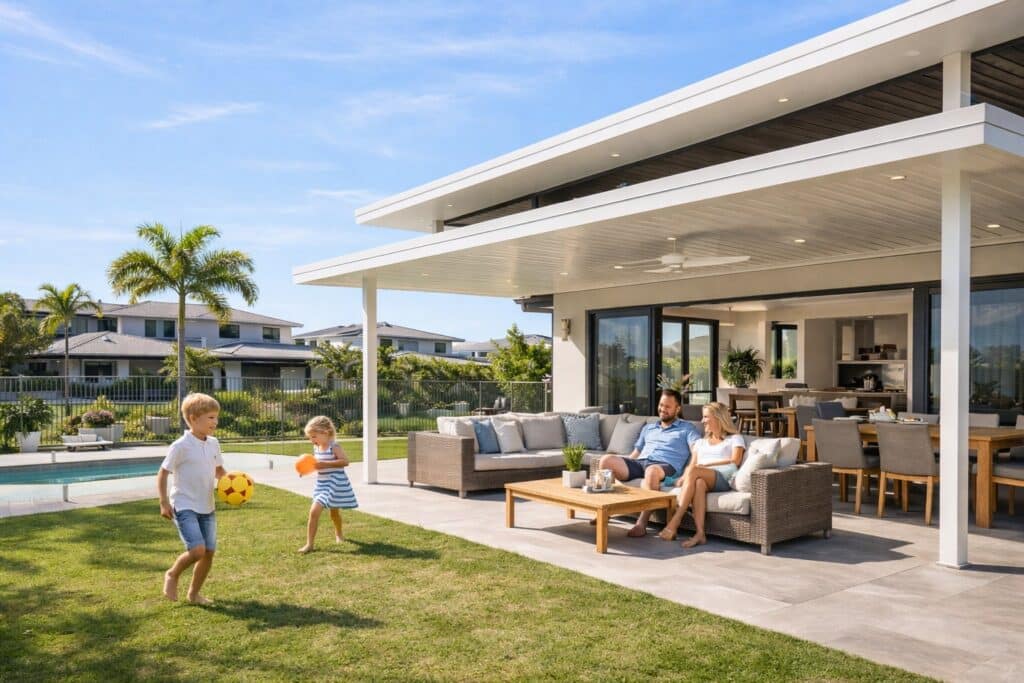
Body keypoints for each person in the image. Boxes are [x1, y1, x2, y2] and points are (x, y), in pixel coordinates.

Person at [595, 389, 700, 538]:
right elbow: (636, 453)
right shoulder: (649, 428)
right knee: (606, 460)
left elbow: (697, 450)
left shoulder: (687, 428)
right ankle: (604, 511)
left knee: (652, 471)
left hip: (666, 466)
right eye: (661, 405)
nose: (662, 409)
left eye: (667, 406)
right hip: (641, 463)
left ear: (677, 409)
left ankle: (641, 523)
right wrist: (623, 463)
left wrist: (687, 472)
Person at [158, 392, 225, 605]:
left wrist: (234, 483)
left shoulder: (213, 443)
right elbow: (163, 473)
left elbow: (219, 471)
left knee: (209, 552)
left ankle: (194, 594)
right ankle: (173, 574)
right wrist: (163, 502)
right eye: (211, 417)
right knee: (197, 550)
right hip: (184, 504)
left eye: (216, 417)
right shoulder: (180, 446)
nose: (215, 421)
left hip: (207, 505)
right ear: (194, 419)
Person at [659, 401, 745, 548]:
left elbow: (735, 461)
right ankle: (700, 533)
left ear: (718, 418)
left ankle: (675, 521)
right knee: (699, 483)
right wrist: (683, 478)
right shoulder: (700, 442)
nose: (702, 421)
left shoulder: (734, 438)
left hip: (722, 478)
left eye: (706, 417)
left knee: (695, 472)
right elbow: (692, 465)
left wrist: (706, 466)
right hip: (700, 476)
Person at [297, 415, 358, 554]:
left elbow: (345, 461)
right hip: (322, 484)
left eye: (314, 436)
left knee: (334, 513)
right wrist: (305, 470)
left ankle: (339, 534)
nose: (312, 440)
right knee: (314, 512)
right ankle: (309, 544)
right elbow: (315, 465)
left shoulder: (334, 447)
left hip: (334, 484)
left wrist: (324, 464)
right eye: (310, 437)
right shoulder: (317, 448)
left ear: (325, 432)